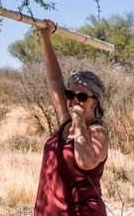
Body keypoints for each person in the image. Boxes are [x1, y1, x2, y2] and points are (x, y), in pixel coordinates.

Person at [33, 20, 109, 216]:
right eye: (70, 95)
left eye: (82, 96)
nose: (75, 100)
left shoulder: (98, 132)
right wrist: (46, 37)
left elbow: (85, 161)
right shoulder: (66, 121)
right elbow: (54, 80)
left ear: (95, 101)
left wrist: (78, 121)